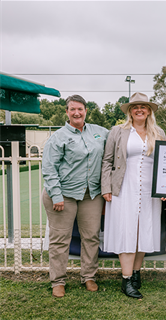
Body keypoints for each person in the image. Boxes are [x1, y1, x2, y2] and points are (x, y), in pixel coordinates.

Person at [42, 94, 109, 298]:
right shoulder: (58, 137)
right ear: (67, 112)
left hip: (92, 195)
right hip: (64, 195)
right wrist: (56, 195)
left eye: (80, 109)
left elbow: (121, 141)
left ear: (86, 110)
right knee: (60, 239)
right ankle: (58, 281)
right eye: (72, 109)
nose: (77, 112)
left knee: (90, 237)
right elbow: (49, 168)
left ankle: (88, 276)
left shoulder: (100, 132)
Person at [101, 92, 165, 299]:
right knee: (127, 232)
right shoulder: (117, 131)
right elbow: (107, 161)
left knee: (142, 231)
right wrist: (106, 188)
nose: (139, 110)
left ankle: (136, 274)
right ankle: (126, 280)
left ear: (149, 111)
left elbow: (165, 164)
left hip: (150, 191)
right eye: (135, 106)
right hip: (124, 188)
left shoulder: (158, 132)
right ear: (130, 110)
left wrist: (165, 188)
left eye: (143, 106)